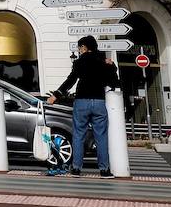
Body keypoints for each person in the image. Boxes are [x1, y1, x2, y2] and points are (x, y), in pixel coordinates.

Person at [47, 35, 120, 178]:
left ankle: (76, 169)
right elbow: (113, 82)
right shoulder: (102, 62)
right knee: (101, 136)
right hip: (99, 102)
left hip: (81, 102)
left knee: (79, 134)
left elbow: (71, 80)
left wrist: (56, 95)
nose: (79, 51)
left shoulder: (79, 62)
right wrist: (112, 66)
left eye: (79, 48)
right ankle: (104, 170)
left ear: (84, 48)